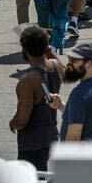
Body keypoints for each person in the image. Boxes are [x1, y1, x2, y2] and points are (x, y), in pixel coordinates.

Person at [10, 24, 63, 168]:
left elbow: (21, 121)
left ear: (25, 51)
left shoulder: (27, 81)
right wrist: (46, 48)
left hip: (33, 143)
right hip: (51, 135)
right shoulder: (55, 66)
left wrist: (12, 122)